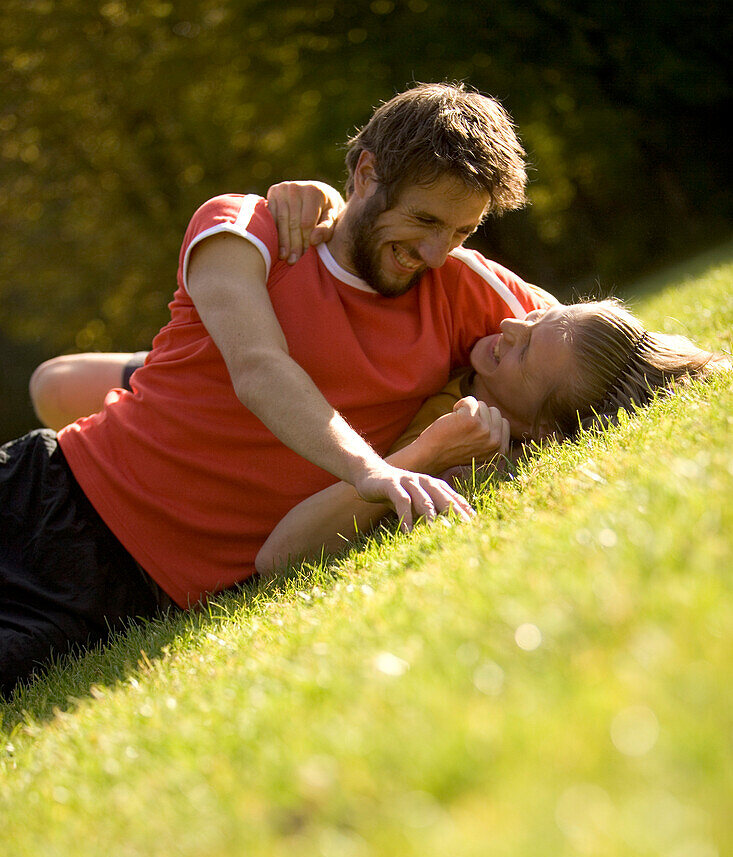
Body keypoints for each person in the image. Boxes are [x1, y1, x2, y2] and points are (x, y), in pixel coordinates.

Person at [2, 81, 547, 695]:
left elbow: (591, 343)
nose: (434, 250)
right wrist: (371, 471)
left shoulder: (458, 282)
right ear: (366, 174)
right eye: (423, 219)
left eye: (461, 231)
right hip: (44, 492)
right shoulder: (247, 227)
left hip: (125, 591)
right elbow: (260, 367)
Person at [254, 298, 725, 571]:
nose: (509, 324)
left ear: (537, 431)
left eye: (522, 352)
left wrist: (427, 453)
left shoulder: (473, 464)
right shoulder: (497, 309)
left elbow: (278, 558)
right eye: (537, 316)